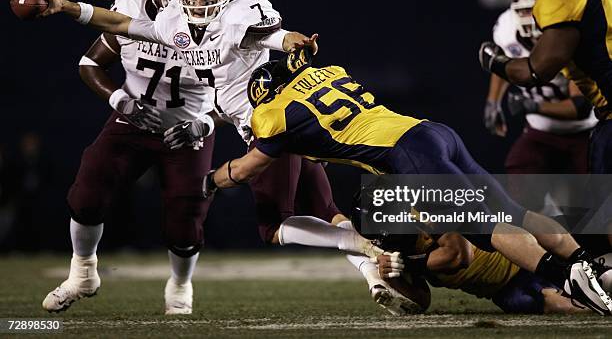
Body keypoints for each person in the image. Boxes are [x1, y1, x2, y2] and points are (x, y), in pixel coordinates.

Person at [27, 0, 402, 314]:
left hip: (273, 129)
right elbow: (124, 25)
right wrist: (65, 6)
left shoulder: (238, 17)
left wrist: (291, 41)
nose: (200, 5)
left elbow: (270, 35)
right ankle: (374, 269)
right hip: (272, 125)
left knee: (271, 225)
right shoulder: (174, 25)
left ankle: (371, 242)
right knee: (324, 209)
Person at [203, 46, 611, 315]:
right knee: (516, 214)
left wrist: (212, 180)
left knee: (488, 230)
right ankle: (585, 265)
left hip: (408, 156)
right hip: (432, 133)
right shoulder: (328, 73)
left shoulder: (271, 113)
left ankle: (569, 278)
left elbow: (246, 169)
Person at [41, 0, 218, 315]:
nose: (191, 11)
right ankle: (82, 273)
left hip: (187, 130)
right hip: (131, 123)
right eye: (183, 2)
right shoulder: (133, 7)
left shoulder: (218, 27)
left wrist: (203, 123)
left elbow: (236, 96)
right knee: (88, 190)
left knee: (186, 216)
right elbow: (90, 63)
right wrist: (121, 100)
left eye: (196, 1)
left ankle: (181, 284)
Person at [478, 0, 612, 245]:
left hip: (595, 123)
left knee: (598, 222)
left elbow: (537, 70)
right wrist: (493, 100)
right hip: (575, 123)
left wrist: (494, 63)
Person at [484, 0, 597, 214]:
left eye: (535, 10)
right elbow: (505, 63)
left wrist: (532, 106)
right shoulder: (507, 28)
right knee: (521, 178)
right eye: (524, 11)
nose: (530, 19)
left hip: (586, 132)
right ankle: (538, 243)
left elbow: (580, 106)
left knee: (587, 209)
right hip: (542, 129)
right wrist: (493, 102)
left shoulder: (570, 32)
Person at [376, 232, 596, 314]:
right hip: (504, 290)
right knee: (537, 301)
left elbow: (461, 254)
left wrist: (408, 264)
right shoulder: (393, 252)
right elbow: (421, 302)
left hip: (524, 258)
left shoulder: (425, 216)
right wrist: (391, 278)